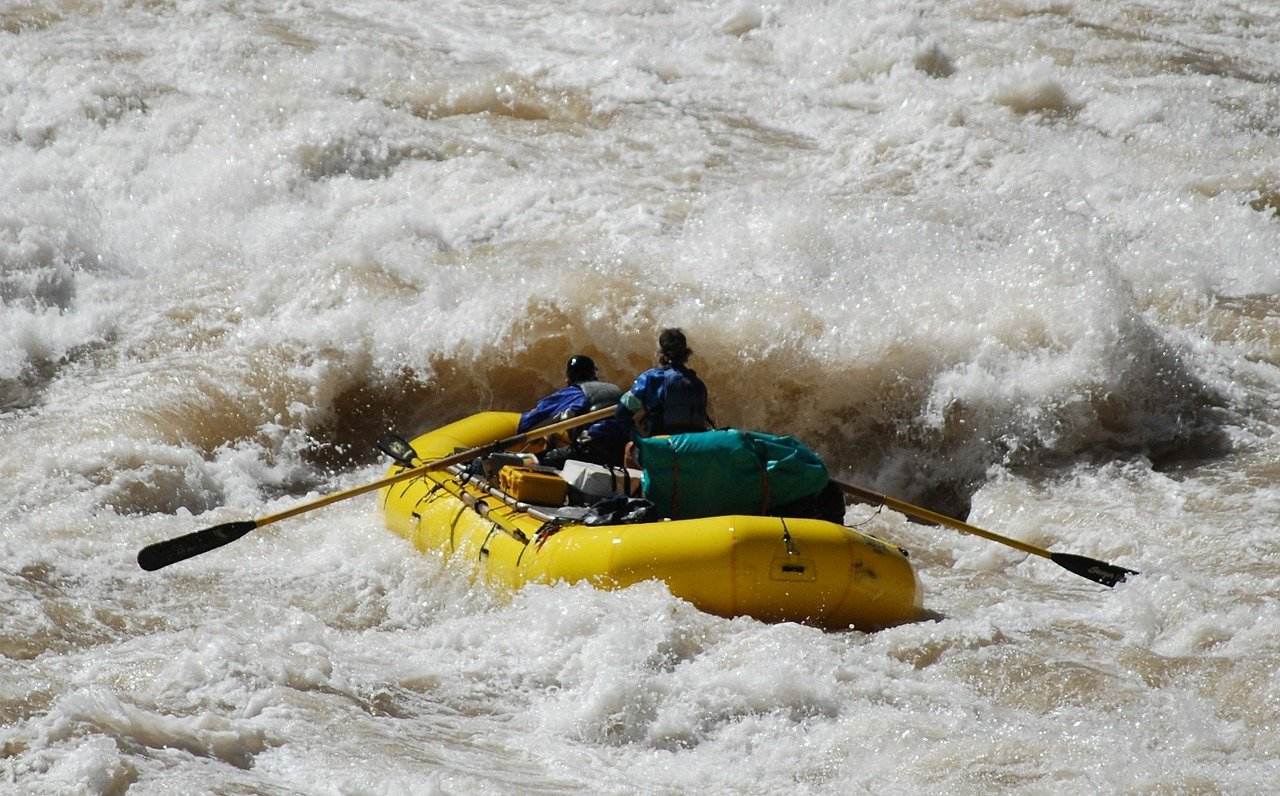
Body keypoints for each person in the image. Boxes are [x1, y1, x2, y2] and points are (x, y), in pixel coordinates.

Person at [518, 355, 629, 468]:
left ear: (568, 378)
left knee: (541, 459)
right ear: (593, 374)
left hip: (591, 450)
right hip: (622, 453)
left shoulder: (573, 393)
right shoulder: (616, 390)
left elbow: (528, 423)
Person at [616, 328, 710, 437]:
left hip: (663, 446)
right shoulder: (698, 384)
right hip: (694, 446)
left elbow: (622, 413)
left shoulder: (651, 378)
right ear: (686, 353)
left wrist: (638, 437)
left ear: (661, 353)